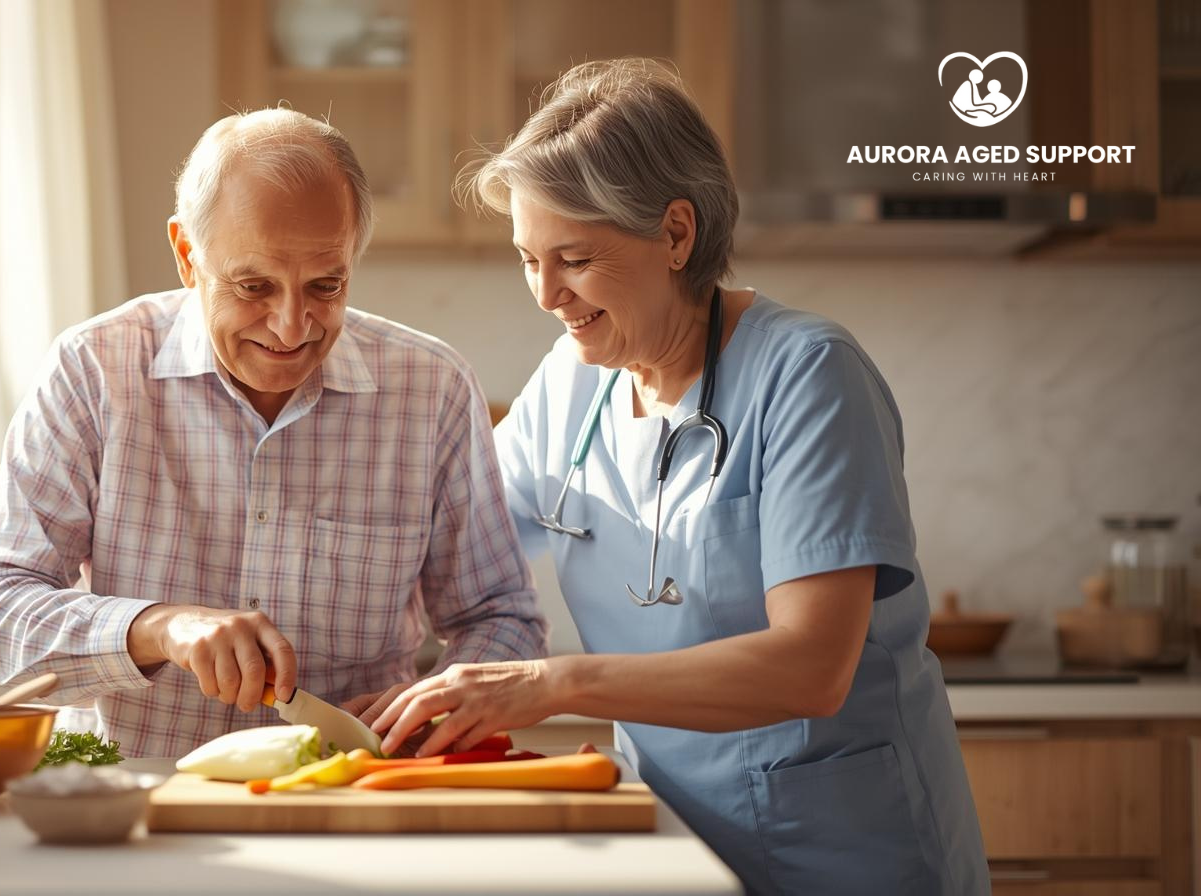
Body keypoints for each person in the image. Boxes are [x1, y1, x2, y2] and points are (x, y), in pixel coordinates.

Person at [368, 59, 988, 895]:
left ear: (675, 235)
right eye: (527, 259)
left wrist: (556, 684)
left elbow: (812, 666)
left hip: (846, 853)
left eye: (574, 258)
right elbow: (448, 552)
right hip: (675, 842)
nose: (546, 293)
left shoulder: (809, 374)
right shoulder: (569, 383)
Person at [0, 108, 548, 757]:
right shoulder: (95, 369)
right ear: (186, 255)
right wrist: (155, 628)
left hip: (350, 799)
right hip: (133, 802)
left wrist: (437, 702)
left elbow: (503, 621)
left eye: (326, 285)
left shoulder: (431, 390)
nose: (291, 327)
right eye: (253, 285)